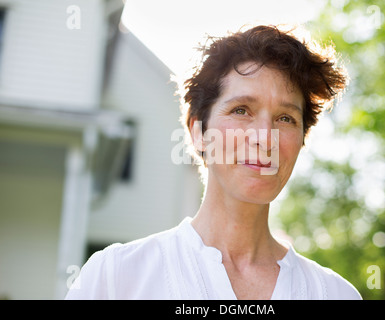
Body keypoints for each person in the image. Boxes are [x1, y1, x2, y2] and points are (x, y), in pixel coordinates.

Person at [65, 25, 361, 300]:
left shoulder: (335, 294)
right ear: (198, 131)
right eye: (242, 110)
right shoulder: (114, 278)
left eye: (285, 118)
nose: (264, 138)